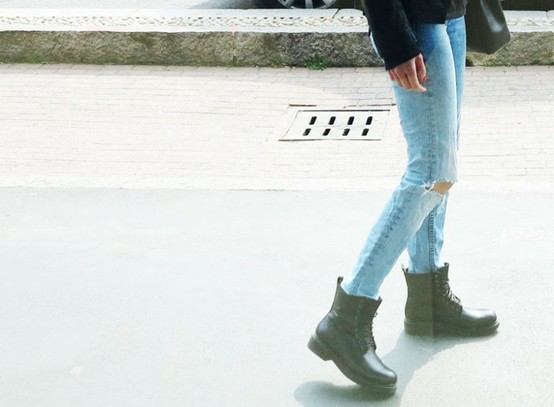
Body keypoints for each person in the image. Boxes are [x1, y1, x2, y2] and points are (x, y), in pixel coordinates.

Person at [307, 0, 499, 395]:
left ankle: (429, 298)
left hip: (450, 13)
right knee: (432, 172)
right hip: (414, 20)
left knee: (442, 156)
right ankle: (346, 315)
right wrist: (392, 37)